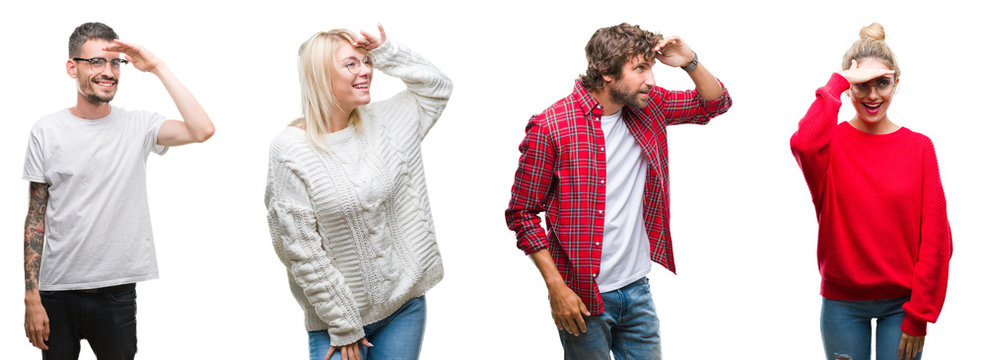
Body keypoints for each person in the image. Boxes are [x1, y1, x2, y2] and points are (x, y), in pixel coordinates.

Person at [505, 23, 731, 359]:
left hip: (637, 289)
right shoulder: (552, 127)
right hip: (581, 295)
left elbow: (714, 104)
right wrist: (556, 289)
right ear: (606, 72)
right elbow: (522, 214)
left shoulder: (648, 106)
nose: (651, 80)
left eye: (650, 67)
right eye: (640, 68)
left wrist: (689, 62)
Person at [21, 22, 215, 359]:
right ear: (73, 67)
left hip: (116, 292)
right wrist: (31, 297)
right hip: (57, 291)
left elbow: (202, 129)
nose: (108, 72)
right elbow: (36, 217)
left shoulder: (138, 126)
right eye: (96, 62)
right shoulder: (46, 131)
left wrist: (156, 67)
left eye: (115, 63)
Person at [264, 24, 452, 360]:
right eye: (351, 64)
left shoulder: (388, 122)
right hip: (336, 322)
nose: (366, 71)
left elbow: (437, 87)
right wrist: (344, 323)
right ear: (320, 75)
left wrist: (386, 51)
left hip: (403, 308)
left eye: (366, 62)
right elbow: (300, 249)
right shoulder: (291, 150)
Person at [790, 23, 952, 360]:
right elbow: (802, 144)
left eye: (882, 83)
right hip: (842, 304)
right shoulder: (829, 146)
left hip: (903, 304)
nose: (873, 95)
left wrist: (919, 314)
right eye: (861, 85)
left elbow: (936, 238)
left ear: (896, 84)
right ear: (848, 88)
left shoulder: (919, 148)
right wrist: (838, 78)